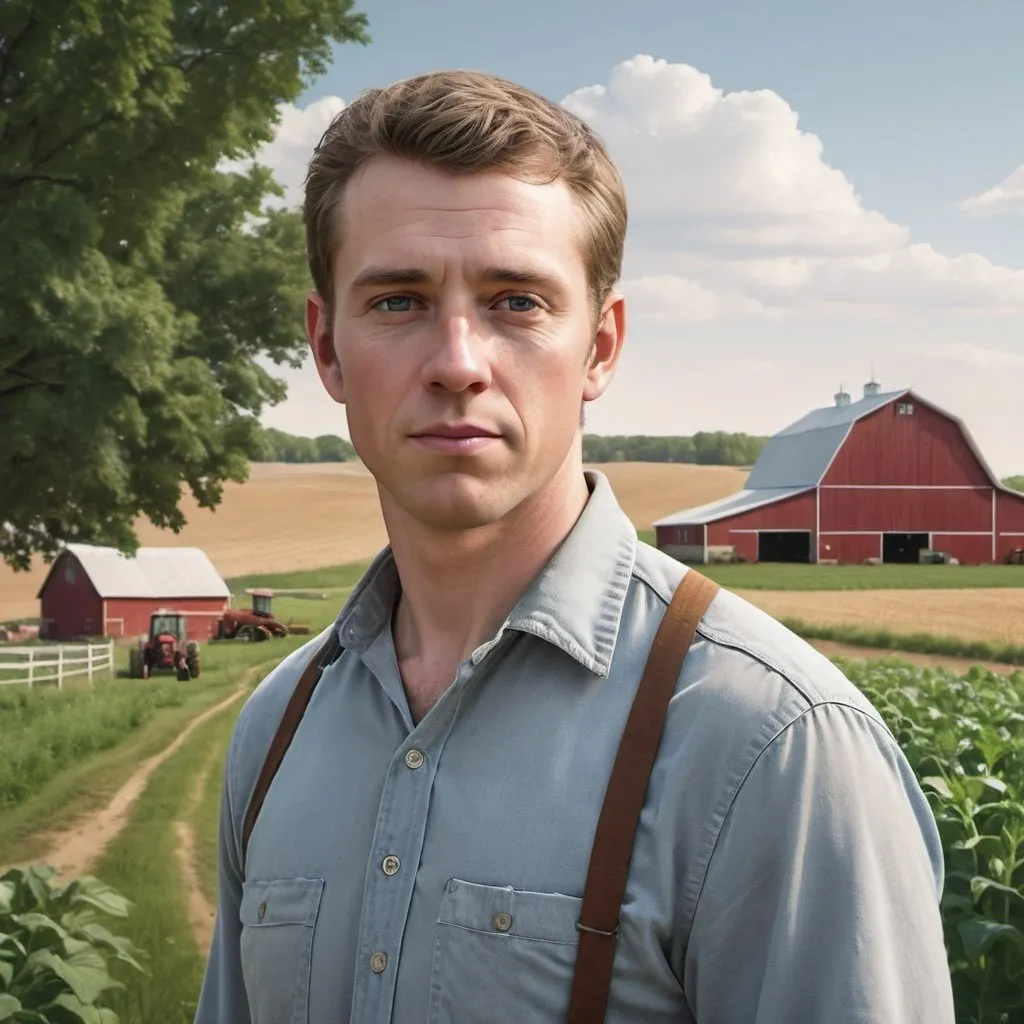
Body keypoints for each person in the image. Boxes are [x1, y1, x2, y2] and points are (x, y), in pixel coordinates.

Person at [194, 70, 955, 1024]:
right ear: (327, 348)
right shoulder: (278, 728)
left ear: (600, 346)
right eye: (398, 300)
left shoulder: (773, 747)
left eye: (516, 301)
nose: (458, 362)